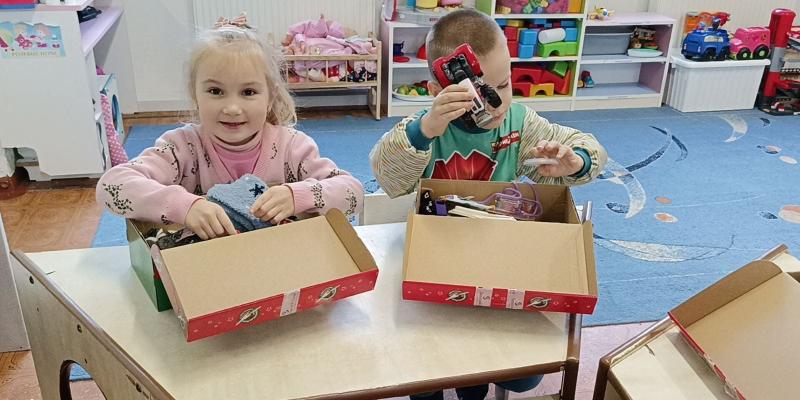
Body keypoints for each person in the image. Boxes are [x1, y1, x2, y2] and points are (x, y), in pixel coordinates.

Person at [369, 9, 607, 400]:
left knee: (491, 363)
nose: (497, 104)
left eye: (506, 83)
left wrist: (574, 160)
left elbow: (588, 149)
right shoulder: (427, 125)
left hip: (494, 256)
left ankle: (474, 388)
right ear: (438, 90)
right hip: (435, 256)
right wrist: (427, 128)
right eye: (485, 93)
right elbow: (388, 177)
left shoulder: (517, 122)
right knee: (424, 361)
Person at [97, 13, 362, 239]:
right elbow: (111, 186)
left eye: (248, 92)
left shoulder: (292, 146)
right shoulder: (182, 148)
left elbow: (354, 193)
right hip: (207, 274)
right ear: (195, 95)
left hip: (279, 268)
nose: (232, 108)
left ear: (270, 96)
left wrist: (299, 195)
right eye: (215, 91)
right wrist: (185, 206)